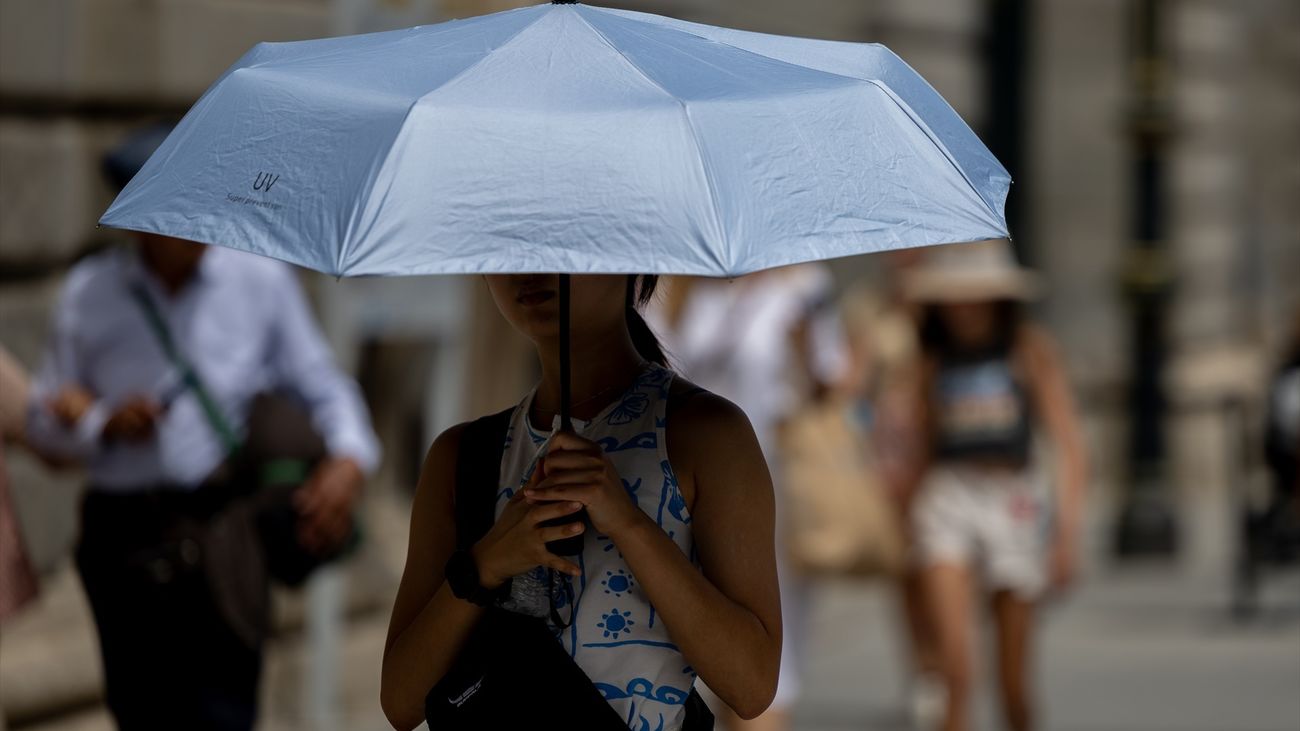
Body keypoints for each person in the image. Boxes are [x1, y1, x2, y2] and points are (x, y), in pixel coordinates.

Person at [24, 123, 381, 731]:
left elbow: (322, 384)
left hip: (221, 533)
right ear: (140, 217)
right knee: (140, 712)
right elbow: (44, 423)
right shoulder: (90, 294)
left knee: (223, 712)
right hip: (124, 538)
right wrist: (105, 424)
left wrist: (349, 460)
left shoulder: (257, 280)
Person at [381, 274, 782, 731]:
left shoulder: (706, 435)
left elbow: (751, 687)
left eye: (559, 244)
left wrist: (629, 525)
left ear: (632, 260)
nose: (528, 270)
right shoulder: (463, 456)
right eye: (507, 246)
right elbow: (400, 701)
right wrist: (483, 567)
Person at [650, 266, 847, 731]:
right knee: (700, 661)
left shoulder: (803, 283)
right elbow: (649, 369)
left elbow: (831, 376)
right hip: (682, 491)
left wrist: (805, 348)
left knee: (761, 672)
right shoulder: (670, 282)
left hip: (771, 487)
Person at [900, 241, 1087, 731]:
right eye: (954, 293)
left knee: (1013, 681)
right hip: (947, 495)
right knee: (955, 671)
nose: (964, 304)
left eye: (976, 292)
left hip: (1014, 497)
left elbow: (1068, 443)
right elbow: (918, 438)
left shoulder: (1028, 349)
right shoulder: (930, 355)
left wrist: (1066, 534)